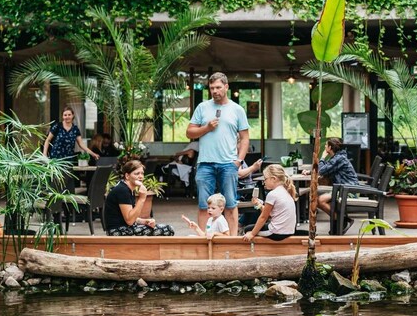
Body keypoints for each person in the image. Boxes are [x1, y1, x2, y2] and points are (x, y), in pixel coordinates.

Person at [187, 72, 250, 235]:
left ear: (226, 87)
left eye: (218, 87)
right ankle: (202, 239)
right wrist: (206, 128)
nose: (215, 91)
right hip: (205, 163)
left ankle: (233, 239)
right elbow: (189, 133)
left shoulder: (237, 109)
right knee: (203, 205)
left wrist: (239, 161)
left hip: (228, 164)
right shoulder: (202, 107)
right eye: (212, 88)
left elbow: (244, 139)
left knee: (230, 204)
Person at [103, 160, 175, 236]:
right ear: (127, 176)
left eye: (142, 173)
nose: (140, 176)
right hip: (117, 231)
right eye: (137, 174)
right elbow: (130, 220)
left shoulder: (127, 188)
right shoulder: (122, 190)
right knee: (168, 229)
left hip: (123, 228)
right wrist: (142, 199)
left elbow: (128, 217)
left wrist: (144, 221)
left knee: (160, 228)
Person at [243, 164, 297, 241]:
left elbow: (264, 217)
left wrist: (252, 234)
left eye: (265, 179)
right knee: (254, 228)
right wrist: (258, 204)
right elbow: (271, 214)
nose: (264, 182)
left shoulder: (272, 194)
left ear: (273, 179)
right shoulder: (285, 191)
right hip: (289, 231)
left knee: (248, 230)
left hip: (277, 232)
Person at [315, 137, 360, 217]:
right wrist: (310, 172)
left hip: (349, 191)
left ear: (330, 147)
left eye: (326, 145)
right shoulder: (337, 157)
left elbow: (321, 171)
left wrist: (322, 157)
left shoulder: (339, 158)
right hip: (343, 189)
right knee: (317, 201)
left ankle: (340, 221)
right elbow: (326, 168)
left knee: (321, 200)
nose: (325, 147)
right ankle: (340, 221)